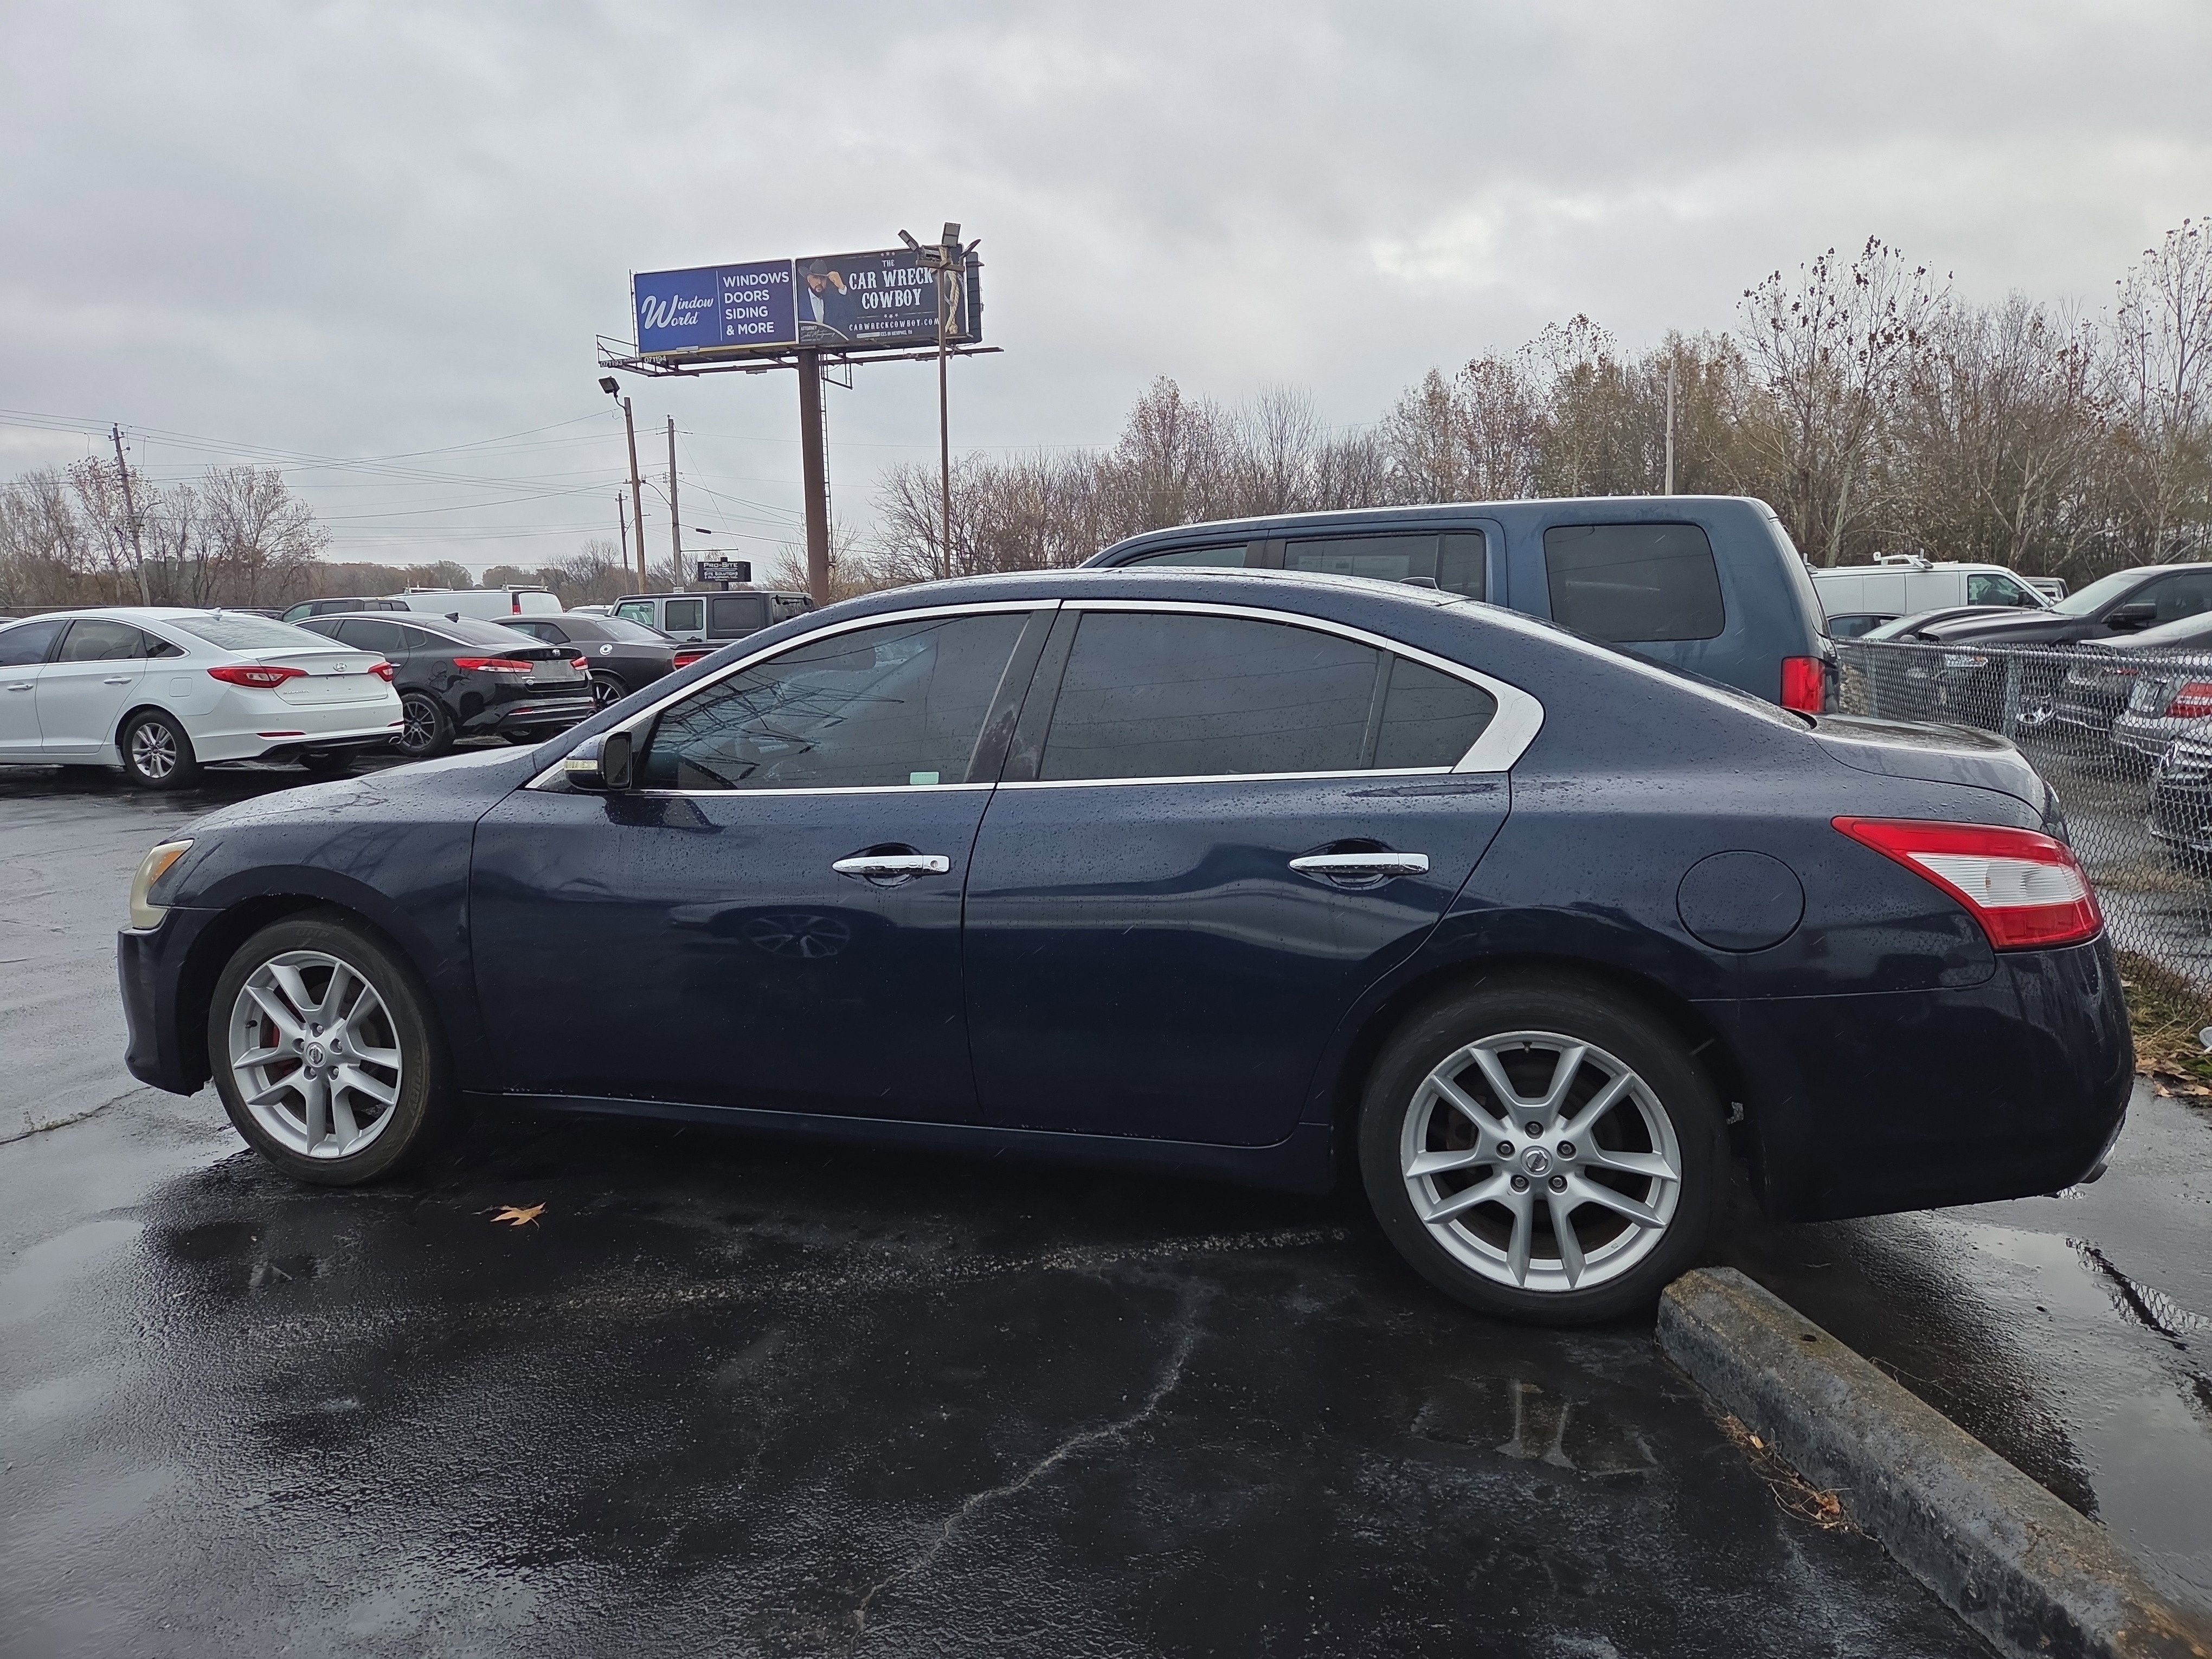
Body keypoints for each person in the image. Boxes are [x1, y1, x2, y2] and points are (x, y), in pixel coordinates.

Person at [796, 258, 853, 343]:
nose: (819, 282)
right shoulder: (798, 301)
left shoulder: (833, 300)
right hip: (805, 345)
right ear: (809, 279)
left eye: (823, 278)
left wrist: (841, 287)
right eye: (815, 278)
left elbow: (851, 316)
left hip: (831, 346)